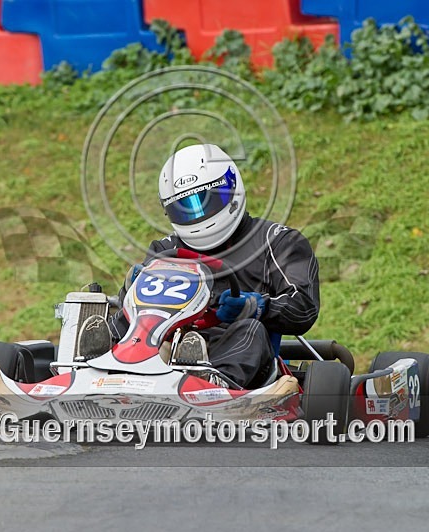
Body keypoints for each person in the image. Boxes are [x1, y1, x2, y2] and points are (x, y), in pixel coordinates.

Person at [77, 144, 320, 389]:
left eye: (205, 201)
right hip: (166, 348)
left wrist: (256, 307)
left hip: (238, 354)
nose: (197, 215)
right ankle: (91, 366)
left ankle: (211, 381)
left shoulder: (278, 242)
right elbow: (142, 312)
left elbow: (304, 307)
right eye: (184, 207)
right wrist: (131, 289)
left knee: (251, 330)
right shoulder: (165, 250)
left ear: (231, 189)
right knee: (122, 322)